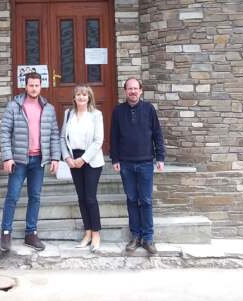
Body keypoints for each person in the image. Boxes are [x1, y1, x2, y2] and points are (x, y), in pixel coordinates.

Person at [0, 71, 60, 252]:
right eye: (31, 85)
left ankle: (30, 233)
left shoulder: (48, 108)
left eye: (37, 85)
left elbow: (54, 135)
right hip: (18, 161)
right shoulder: (14, 106)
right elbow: (4, 132)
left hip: (38, 160)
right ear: (25, 86)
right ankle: (6, 232)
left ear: (41, 86)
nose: (34, 88)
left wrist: (55, 157)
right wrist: (7, 157)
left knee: (35, 197)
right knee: (12, 196)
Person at [110, 77, 165, 255]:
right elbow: (114, 137)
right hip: (126, 163)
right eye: (129, 89)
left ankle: (148, 238)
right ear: (125, 91)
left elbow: (157, 134)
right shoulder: (118, 111)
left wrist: (160, 157)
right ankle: (135, 236)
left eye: (135, 88)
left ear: (141, 91)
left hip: (146, 162)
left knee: (146, 200)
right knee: (132, 200)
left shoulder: (149, 109)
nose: (133, 91)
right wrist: (115, 159)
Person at [60, 85, 105, 252]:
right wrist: (67, 157)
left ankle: (96, 233)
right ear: (74, 97)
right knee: (81, 198)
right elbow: (62, 138)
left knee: (90, 197)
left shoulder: (96, 115)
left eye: (84, 95)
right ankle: (87, 232)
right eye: (78, 94)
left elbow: (98, 140)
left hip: (91, 160)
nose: (81, 97)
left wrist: (84, 159)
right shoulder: (68, 114)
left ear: (89, 97)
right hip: (73, 159)